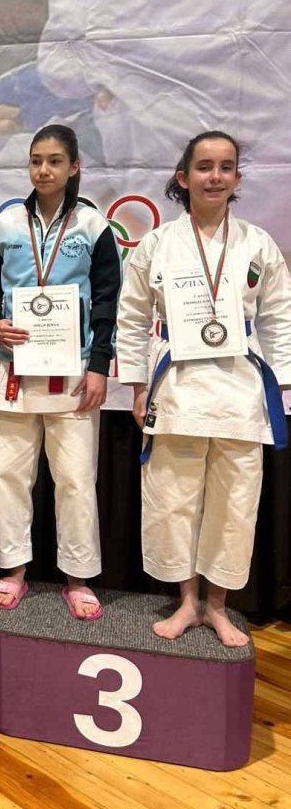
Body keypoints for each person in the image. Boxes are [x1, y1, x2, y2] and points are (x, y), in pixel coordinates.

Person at [117, 131, 291, 646]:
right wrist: (137, 387)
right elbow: (132, 317)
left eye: (226, 167)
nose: (215, 176)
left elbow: (279, 317)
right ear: (183, 176)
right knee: (173, 500)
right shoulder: (156, 244)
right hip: (177, 386)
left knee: (234, 505)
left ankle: (217, 605)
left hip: (241, 388)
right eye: (204, 166)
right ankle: (187, 601)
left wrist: (281, 387)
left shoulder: (258, 243)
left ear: (236, 177)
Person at [0, 124, 122, 618]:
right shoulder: (6, 222)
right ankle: (13, 570)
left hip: (73, 369)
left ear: (74, 167)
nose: (43, 169)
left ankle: (78, 577)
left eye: (55, 161)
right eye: (36, 160)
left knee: (75, 478)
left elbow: (108, 299)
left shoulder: (93, 225)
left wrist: (99, 365)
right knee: (9, 474)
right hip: (14, 366)